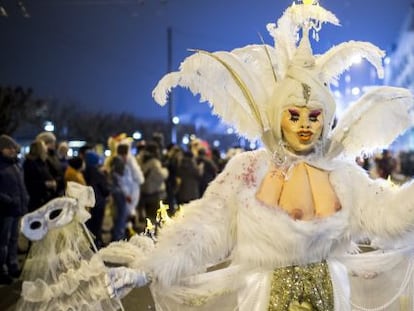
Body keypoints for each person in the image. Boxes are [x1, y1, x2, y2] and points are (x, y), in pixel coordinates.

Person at [105, 1, 414, 311]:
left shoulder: (344, 176)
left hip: (331, 298)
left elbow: (387, 216)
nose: (305, 126)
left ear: (325, 119)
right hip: (263, 299)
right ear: (279, 117)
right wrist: (149, 269)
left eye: (314, 116)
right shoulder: (249, 170)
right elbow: (204, 227)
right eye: (294, 116)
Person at [0, 134, 28, 284]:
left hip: (17, 208)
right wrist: (8, 200)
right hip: (5, 210)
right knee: (3, 242)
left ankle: (13, 265)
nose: (12, 150)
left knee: (13, 239)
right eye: (8, 148)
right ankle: (2, 269)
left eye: (13, 147)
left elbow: (21, 186)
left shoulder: (16, 164)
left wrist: (24, 199)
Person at [23, 140, 57, 212]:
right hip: (36, 200)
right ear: (39, 149)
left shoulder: (42, 162)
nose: (46, 148)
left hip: (45, 199)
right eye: (44, 146)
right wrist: (46, 184)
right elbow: (30, 182)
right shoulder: (30, 163)